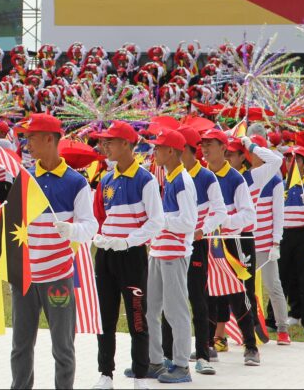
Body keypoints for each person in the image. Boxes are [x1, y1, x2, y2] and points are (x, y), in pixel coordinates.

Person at [0, 114, 95, 389]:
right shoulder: (25, 178)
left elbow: (90, 225)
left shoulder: (76, 182)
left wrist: (71, 230)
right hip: (26, 276)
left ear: (50, 139)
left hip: (57, 277)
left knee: (62, 347)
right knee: (20, 346)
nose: (27, 143)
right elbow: (13, 219)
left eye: (32, 137)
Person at [90, 121, 164, 390]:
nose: (104, 146)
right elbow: (100, 216)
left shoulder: (145, 179)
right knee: (105, 316)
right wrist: (98, 236)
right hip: (106, 255)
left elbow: (156, 221)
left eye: (109, 141)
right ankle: (105, 373)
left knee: (136, 316)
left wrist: (128, 241)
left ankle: (141, 375)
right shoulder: (106, 179)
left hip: (131, 256)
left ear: (126, 144)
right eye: (104, 141)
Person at [159, 126, 226, 375]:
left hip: (195, 244)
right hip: (172, 246)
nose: (205, 150)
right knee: (169, 299)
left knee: (197, 298)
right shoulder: (170, 175)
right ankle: (168, 354)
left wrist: (202, 229)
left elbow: (220, 210)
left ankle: (203, 353)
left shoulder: (206, 177)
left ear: (182, 150)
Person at [200, 130, 259, 366]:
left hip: (231, 242)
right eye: (202, 144)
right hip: (206, 242)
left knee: (238, 294)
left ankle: (251, 346)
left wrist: (225, 221)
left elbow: (248, 214)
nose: (204, 149)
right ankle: (208, 345)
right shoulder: (201, 176)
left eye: (210, 144)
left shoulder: (235, 179)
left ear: (223, 148)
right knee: (206, 293)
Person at [143, 130, 197, 384]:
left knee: (175, 311)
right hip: (159, 250)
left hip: (175, 252)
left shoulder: (183, 181)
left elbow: (188, 222)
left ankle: (182, 365)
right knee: (151, 309)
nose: (155, 152)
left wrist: (159, 220)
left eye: (159, 148)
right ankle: (154, 360)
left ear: (172, 152)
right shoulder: (167, 177)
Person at [240, 135, 289, 344]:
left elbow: (279, 214)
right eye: (249, 153)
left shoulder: (275, 180)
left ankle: (282, 329)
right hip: (247, 242)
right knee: (243, 290)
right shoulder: (245, 177)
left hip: (266, 245)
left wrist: (276, 242)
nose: (252, 156)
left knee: (273, 286)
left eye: (255, 152)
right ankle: (249, 329)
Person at [281, 147, 304, 336]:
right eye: (287, 160)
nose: (289, 164)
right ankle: (294, 312)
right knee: (285, 275)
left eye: (294, 160)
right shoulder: (282, 186)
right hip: (285, 234)